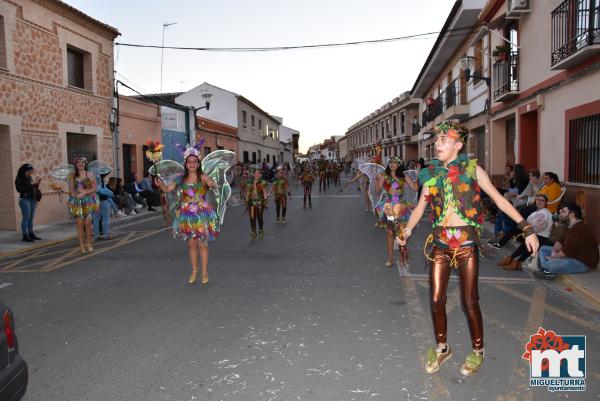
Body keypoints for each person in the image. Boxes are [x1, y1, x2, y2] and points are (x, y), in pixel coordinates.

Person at [398, 120, 539, 376]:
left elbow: (498, 200)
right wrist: (407, 230)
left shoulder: (473, 170)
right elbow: (420, 208)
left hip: (465, 244)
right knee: (436, 299)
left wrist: (526, 228)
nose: (437, 144)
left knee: (469, 301)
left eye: (444, 140)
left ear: (458, 145)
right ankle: (442, 348)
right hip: (440, 242)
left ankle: (478, 351)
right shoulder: (430, 174)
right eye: (437, 140)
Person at [155, 149, 220, 285]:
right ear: (185, 164)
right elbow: (168, 189)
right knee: (191, 244)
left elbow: (211, 182)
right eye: (189, 162)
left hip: (201, 214)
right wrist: (160, 184)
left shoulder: (202, 176)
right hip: (187, 215)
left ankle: (205, 272)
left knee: (202, 244)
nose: (192, 164)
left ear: (198, 163)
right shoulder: (181, 178)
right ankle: (194, 271)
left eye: (194, 162)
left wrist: (212, 184)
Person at [534, 203, 599, 280]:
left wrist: (552, 257)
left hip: (582, 263)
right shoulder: (571, 227)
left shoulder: (579, 230)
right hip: (571, 256)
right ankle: (547, 268)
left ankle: (547, 268)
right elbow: (558, 244)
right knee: (544, 249)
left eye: (564, 212)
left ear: (572, 215)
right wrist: (554, 251)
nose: (561, 214)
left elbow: (565, 253)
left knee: (552, 263)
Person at [375, 156, 418, 267]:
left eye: (395, 163)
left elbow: (415, 188)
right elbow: (377, 190)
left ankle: (403, 255)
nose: (392, 164)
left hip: (401, 207)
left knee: (400, 232)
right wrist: (377, 179)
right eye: (390, 163)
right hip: (389, 207)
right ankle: (390, 258)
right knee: (390, 232)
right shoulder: (384, 175)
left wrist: (418, 177)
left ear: (398, 164)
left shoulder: (403, 175)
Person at [496, 194, 554, 270]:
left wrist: (527, 233)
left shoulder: (545, 213)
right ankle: (513, 260)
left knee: (527, 246)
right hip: (534, 234)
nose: (539, 202)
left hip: (541, 236)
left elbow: (539, 227)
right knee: (524, 245)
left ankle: (516, 262)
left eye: (542, 200)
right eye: (538, 200)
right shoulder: (536, 211)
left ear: (545, 203)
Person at [67, 157, 99, 254]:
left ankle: (88, 244)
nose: (80, 164)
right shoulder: (72, 175)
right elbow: (71, 191)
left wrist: (84, 192)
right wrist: (76, 196)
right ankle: (81, 245)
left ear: (85, 164)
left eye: (82, 162)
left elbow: (94, 189)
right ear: (75, 164)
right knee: (79, 223)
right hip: (77, 202)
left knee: (88, 223)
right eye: (78, 162)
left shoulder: (89, 174)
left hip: (88, 201)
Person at [14, 163, 42, 242]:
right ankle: (25, 236)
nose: (31, 172)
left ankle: (31, 234)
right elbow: (20, 189)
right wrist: (32, 184)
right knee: (26, 218)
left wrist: (36, 184)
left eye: (31, 171)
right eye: (29, 171)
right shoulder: (19, 178)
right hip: (24, 199)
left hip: (31, 199)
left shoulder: (29, 177)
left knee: (31, 218)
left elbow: (32, 187)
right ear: (25, 170)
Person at [244, 167, 269, 239]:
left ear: (260, 175)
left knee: (260, 217)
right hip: (251, 202)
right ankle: (253, 232)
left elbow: (264, 192)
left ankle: (261, 231)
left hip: (260, 202)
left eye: (258, 173)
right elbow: (248, 192)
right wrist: (247, 200)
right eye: (255, 173)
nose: (257, 174)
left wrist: (266, 201)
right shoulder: (249, 182)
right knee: (252, 218)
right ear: (253, 174)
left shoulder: (263, 182)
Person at [93, 172, 113, 240]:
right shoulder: (98, 178)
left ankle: (96, 235)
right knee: (105, 219)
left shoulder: (90, 177)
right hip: (102, 200)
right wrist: (110, 193)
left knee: (96, 218)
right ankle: (106, 234)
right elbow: (100, 190)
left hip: (94, 201)